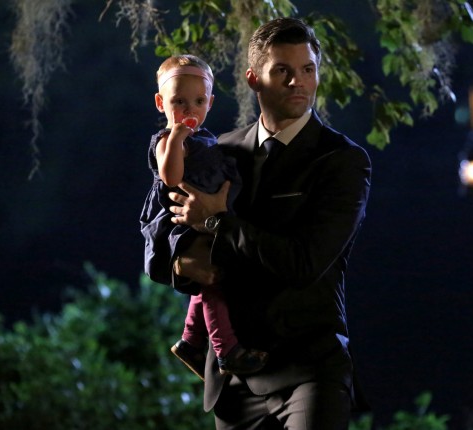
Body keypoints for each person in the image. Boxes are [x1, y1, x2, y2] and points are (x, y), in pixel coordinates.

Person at [165, 17, 371, 429]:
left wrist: (218, 222)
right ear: (253, 79)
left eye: (308, 69)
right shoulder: (218, 150)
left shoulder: (342, 161)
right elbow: (166, 230)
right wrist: (178, 262)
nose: (298, 82)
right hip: (234, 382)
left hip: (309, 369)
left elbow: (304, 263)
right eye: (283, 71)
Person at [139, 54, 269, 381]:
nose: (189, 110)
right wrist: (177, 137)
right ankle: (227, 350)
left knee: (214, 276)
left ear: (210, 103)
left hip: (209, 221)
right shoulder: (168, 141)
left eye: (198, 101)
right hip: (182, 224)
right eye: (179, 102)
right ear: (161, 103)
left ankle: (190, 340)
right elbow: (170, 176)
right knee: (212, 278)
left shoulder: (208, 139)